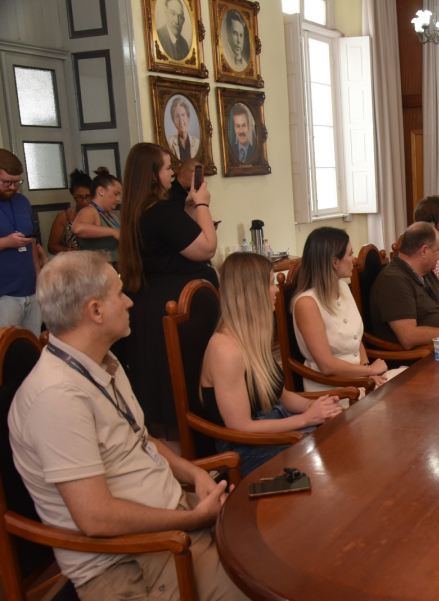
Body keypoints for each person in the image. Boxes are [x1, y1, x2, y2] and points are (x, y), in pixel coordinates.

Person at [8, 251, 248, 600]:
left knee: (277, 547)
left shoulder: (104, 360)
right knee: (260, 587)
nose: (129, 302)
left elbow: (140, 438)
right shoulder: (56, 396)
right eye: (119, 293)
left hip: (176, 519)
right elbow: (96, 519)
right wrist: (192, 520)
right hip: (134, 559)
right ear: (95, 311)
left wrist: (194, 475)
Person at [201, 252, 343, 476]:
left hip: (274, 428)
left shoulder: (249, 337)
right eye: (269, 283)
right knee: (328, 461)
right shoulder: (225, 350)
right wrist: (305, 419)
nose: (276, 289)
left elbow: (282, 396)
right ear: (251, 293)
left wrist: (315, 408)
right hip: (245, 449)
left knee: (341, 436)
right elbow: (241, 427)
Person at [118, 143, 218, 440]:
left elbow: (171, 244)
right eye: (166, 168)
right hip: (177, 309)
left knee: (161, 386)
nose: (171, 173)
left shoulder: (140, 210)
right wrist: (202, 204)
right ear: (151, 176)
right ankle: (194, 446)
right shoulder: (159, 211)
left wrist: (187, 207)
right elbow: (206, 247)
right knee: (183, 382)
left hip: (151, 304)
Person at [292, 227, 393, 392]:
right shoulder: (307, 303)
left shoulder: (342, 287)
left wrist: (368, 369)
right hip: (333, 390)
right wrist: (370, 371)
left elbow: (355, 338)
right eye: (350, 254)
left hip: (360, 380)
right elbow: (327, 366)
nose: (354, 259)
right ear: (334, 262)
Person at [370, 222, 439, 349]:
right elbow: (409, 337)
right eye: (438, 250)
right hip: (420, 359)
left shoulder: (427, 272)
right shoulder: (393, 281)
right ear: (424, 251)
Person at [0, 149, 39, 336]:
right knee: (9, 353)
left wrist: (38, 276)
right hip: (4, 294)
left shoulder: (23, 201)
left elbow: (31, 241)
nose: (13, 187)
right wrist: (6, 242)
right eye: (7, 182)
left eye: (17, 182)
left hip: (31, 289)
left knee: (34, 348)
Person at [70, 168, 121, 266]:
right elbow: (77, 228)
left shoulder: (112, 216)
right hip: (97, 271)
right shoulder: (90, 211)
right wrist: (112, 232)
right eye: (116, 194)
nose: (118, 199)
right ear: (101, 191)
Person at [48, 169, 92, 254]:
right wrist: (71, 251)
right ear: (72, 194)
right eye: (79, 197)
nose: (84, 201)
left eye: (88, 196)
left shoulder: (100, 214)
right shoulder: (64, 216)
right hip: (71, 262)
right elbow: (51, 246)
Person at [166, 96, 199, 162]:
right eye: (177, 116)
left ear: (188, 118)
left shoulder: (197, 143)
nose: (181, 120)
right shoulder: (169, 143)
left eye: (183, 115)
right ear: (173, 121)